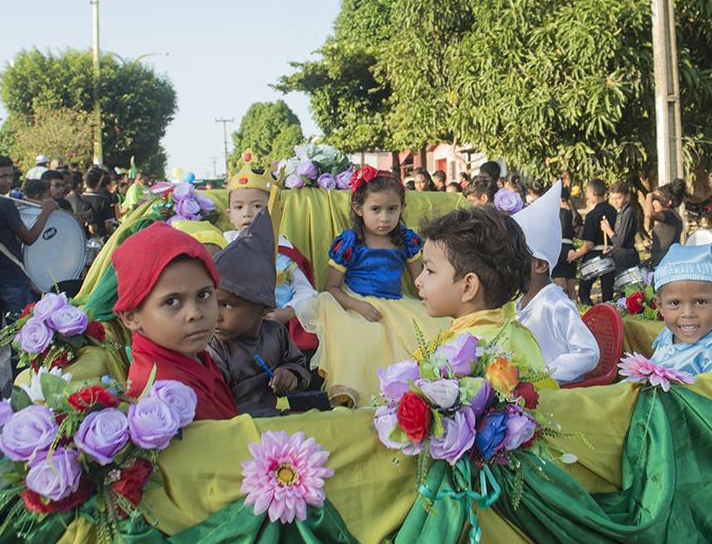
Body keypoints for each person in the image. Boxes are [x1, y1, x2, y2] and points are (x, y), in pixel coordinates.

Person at [306, 168, 447, 406]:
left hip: (396, 302)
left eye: (392, 210)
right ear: (358, 208)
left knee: (431, 330)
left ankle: (418, 393)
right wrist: (358, 306)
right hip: (355, 302)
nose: (384, 218)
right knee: (368, 337)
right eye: (376, 210)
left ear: (402, 207)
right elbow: (331, 288)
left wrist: (435, 301)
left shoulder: (406, 240)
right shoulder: (351, 242)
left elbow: (419, 282)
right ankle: (366, 395)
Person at [415, 206, 556, 386]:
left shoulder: (467, 351)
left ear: (468, 286)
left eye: (430, 270)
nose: (418, 281)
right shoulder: (516, 333)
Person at [115, 221, 238, 420]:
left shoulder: (190, 353)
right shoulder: (164, 393)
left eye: (203, 295)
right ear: (131, 317)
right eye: (172, 301)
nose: (195, 314)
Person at [0, 154, 58, 407]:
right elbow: (29, 238)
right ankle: (19, 396)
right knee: (20, 340)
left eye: (10, 176)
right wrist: (46, 211)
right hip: (12, 279)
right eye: (2, 176)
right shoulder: (4, 205)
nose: (7, 181)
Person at [209, 208, 312, 417]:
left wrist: (291, 374)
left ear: (263, 309)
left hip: (274, 417)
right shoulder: (214, 347)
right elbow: (217, 408)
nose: (215, 315)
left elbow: (300, 366)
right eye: (211, 302)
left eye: (227, 305)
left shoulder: (276, 333)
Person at [511, 181, 599, 383]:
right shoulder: (519, 302)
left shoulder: (555, 304)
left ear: (541, 265)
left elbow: (588, 352)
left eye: (515, 258)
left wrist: (544, 374)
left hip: (556, 396)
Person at [224, 154, 316, 330]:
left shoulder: (285, 254)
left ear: (277, 212)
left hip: (274, 328)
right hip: (235, 329)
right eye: (239, 207)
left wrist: (288, 312)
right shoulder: (225, 249)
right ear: (229, 214)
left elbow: (306, 292)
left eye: (258, 206)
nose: (247, 213)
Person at [648, 242, 712, 376]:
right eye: (675, 303)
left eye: (700, 302)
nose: (687, 314)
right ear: (660, 306)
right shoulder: (669, 333)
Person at [569, 179, 617, 305]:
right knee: (608, 293)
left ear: (594, 193)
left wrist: (576, 255)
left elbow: (589, 244)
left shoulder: (592, 215)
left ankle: (591, 316)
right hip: (611, 255)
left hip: (595, 257)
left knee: (584, 292)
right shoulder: (614, 212)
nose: (587, 195)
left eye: (588, 192)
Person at [644, 179, 685, 267]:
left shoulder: (670, 215)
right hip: (665, 261)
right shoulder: (674, 217)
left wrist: (649, 195)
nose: (653, 203)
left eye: (657, 199)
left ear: (668, 202)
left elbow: (649, 214)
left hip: (665, 264)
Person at [551, 184, 581, 300]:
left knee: (560, 290)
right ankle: (577, 313)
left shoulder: (558, 213)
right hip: (571, 249)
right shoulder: (574, 213)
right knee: (572, 290)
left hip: (559, 250)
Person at [82, 167, 117, 239]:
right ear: (99, 182)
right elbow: (108, 226)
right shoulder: (104, 201)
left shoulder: (78, 199)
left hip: (81, 238)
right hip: (99, 239)